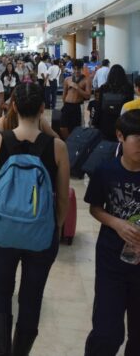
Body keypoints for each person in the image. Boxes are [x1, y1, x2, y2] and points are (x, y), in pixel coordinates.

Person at [0, 83, 70, 355]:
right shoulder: (57, 147)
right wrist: (56, 226)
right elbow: (62, 198)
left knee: (2, 292)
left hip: (4, 231)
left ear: (13, 106)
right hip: (42, 235)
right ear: (43, 108)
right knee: (32, 296)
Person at [83, 110, 140, 356]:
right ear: (120, 136)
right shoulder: (106, 171)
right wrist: (116, 223)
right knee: (107, 332)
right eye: (137, 138)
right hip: (111, 260)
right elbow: (95, 208)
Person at [95, 64, 135, 141]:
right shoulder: (128, 88)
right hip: (121, 121)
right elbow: (129, 107)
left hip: (105, 121)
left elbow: (99, 106)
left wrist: (96, 122)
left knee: (106, 146)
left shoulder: (104, 87)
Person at [58, 58, 91, 139]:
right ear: (72, 69)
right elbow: (64, 94)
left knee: (75, 128)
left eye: (78, 69)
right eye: (74, 69)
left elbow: (88, 96)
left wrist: (77, 88)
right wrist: (64, 104)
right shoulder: (67, 79)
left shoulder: (86, 80)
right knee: (62, 127)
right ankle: (68, 142)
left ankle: (73, 143)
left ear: (82, 69)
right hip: (67, 106)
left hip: (77, 107)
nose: (76, 71)